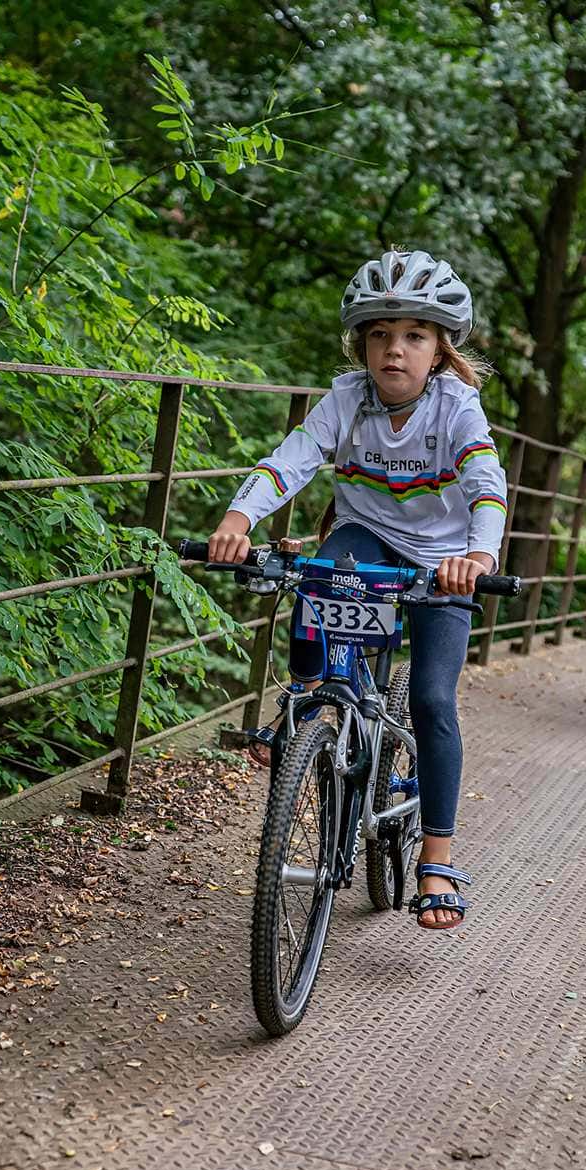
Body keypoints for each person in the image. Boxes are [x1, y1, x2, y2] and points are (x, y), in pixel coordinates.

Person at [206, 249, 508, 931]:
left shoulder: (456, 406)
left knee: (432, 699)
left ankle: (436, 859)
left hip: (443, 559)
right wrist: (237, 518)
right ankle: (310, 696)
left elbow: (486, 483)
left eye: (414, 336)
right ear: (361, 345)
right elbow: (293, 459)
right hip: (364, 534)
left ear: (439, 350)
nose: (394, 349)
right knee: (317, 577)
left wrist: (478, 555)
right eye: (380, 334)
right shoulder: (348, 398)